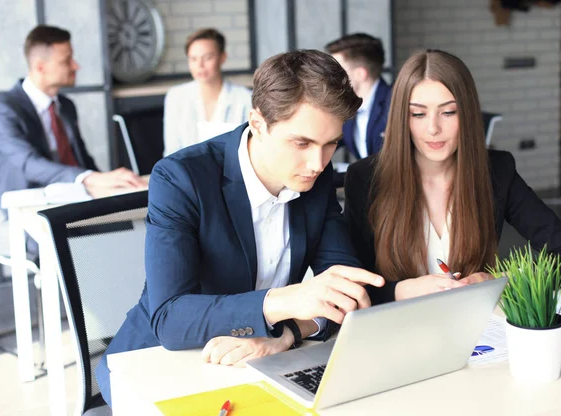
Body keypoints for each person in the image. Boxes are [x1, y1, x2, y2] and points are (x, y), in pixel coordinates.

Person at [96, 49, 385, 407]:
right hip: (159, 361)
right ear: (258, 123)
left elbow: (345, 289)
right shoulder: (181, 177)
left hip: (259, 358)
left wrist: (287, 333)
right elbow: (170, 318)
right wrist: (284, 302)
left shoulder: (315, 175)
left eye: (331, 144)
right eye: (301, 142)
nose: (317, 163)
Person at [343, 49, 561, 305]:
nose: (433, 128)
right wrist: (403, 290)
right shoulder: (366, 178)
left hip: (476, 328)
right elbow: (351, 286)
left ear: (467, 114)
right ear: (403, 117)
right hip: (397, 330)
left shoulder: (497, 171)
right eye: (418, 114)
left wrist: (498, 280)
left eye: (449, 112)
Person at [0, 25, 145, 256]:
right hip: (21, 212)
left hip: (69, 201)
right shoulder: (2, 110)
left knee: (127, 228)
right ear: (41, 67)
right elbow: (29, 164)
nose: (75, 66)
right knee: (72, 247)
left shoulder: (65, 106)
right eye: (66, 60)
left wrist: (109, 186)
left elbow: (83, 159)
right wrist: (89, 178)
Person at [163, 28, 253, 156]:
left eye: (207, 57)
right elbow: (171, 152)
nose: (200, 65)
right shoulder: (175, 97)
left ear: (222, 57)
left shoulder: (245, 98)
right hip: (186, 172)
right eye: (193, 59)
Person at [325, 33, 392, 161]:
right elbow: (326, 140)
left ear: (360, 74)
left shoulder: (396, 104)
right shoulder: (347, 109)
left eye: (336, 72)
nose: (330, 78)